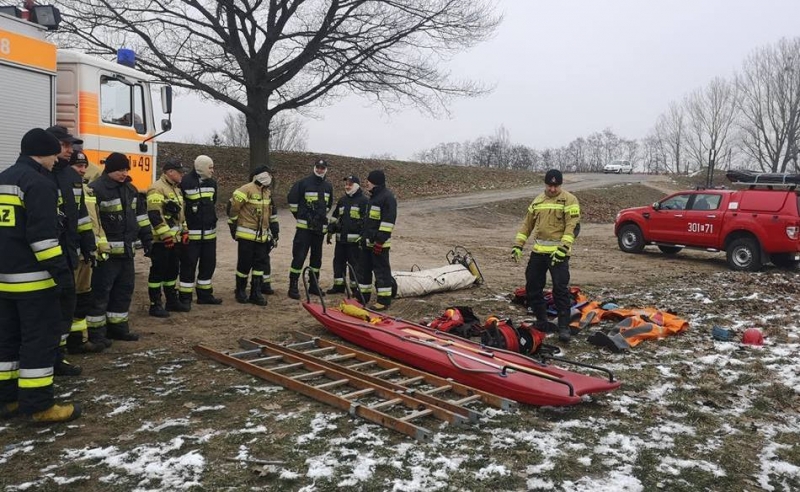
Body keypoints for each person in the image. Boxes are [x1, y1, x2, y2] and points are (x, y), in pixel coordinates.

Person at [0, 128, 82, 423]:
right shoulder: (39, 184)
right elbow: (44, 241)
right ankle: (38, 406)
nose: (55, 161)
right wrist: (61, 275)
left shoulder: (4, 179)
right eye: (53, 155)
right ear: (42, 153)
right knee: (39, 341)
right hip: (36, 281)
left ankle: (7, 400)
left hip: (5, 282)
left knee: (7, 342)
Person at [45, 125, 96, 376]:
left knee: (67, 306)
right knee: (47, 310)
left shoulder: (71, 177)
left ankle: (58, 356)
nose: (69, 150)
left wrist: (88, 246)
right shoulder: (40, 174)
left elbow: (81, 216)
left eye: (70, 145)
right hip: (45, 257)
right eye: (65, 145)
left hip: (68, 253)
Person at [86, 153, 152, 342]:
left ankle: (118, 329)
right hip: (106, 256)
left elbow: (141, 217)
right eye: (120, 170)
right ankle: (97, 334)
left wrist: (147, 239)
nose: (124, 173)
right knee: (100, 294)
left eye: (126, 169)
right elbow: (93, 223)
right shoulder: (96, 189)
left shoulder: (130, 189)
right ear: (109, 170)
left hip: (126, 254)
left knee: (123, 292)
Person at [511, 169, 580, 343]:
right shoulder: (538, 200)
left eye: (556, 185)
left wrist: (563, 249)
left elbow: (572, 227)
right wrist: (518, 245)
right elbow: (527, 225)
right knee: (532, 285)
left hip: (558, 254)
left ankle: (563, 326)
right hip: (539, 252)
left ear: (560, 185)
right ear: (545, 184)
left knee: (560, 289)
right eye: (550, 185)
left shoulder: (569, 200)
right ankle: (541, 321)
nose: (552, 189)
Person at [66, 150, 106, 354]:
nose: (81, 170)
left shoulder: (87, 191)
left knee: (83, 298)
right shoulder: (63, 189)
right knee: (67, 300)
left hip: (86, 254)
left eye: (84, 166)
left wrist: (96, 246)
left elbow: (94, 222)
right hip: (71, 254)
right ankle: (62, 346)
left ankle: (78, 340)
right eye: (77, 166)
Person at [146, 159, 190, 316]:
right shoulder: (157, 189)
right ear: (170, 172)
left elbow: (180, 215)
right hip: (160, 241)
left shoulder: (176, 190)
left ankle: (171, 301)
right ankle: (155, 304)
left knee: (172, 270)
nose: (182, 174)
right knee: (158, 272)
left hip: (175, 240)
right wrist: (165, 235)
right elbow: (154, 214)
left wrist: (184, 231)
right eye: (180, 171)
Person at [179, 155, 223, 305]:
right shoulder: (185, 182)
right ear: (201, 167)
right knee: (188, 266)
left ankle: (204, 295)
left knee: (208, 264)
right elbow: (181, 207)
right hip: (191, 235)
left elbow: (213, 202)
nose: (212, 170)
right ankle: (185, 297)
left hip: (209, 235)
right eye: (210, 167)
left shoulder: (212, 183)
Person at [286, 159, 333, 299]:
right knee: (299, 257)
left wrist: (319, 218)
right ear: (314, 168)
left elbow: (328, 205)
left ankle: (313, 284)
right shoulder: (303, 183)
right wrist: (302, 216)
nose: (320, 170)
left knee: (316, 259)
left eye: (322, 168)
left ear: (326, 169)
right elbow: (293, 201)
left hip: (319, 229)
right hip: (304, 228)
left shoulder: (328, 186)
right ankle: (293, 286)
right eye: (318, 167)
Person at [227, 168, 274, 306]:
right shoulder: (245, 189)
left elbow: (268, 214)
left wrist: (271, 232)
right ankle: (240, 290)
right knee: (244, 263)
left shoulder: (267, 192)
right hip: (246, 234)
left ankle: (256, 292)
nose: (270, 177)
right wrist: (233, 225)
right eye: (267, 174)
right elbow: (233, 207)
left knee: (259, 265)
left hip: (262, 236)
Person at [357, 170, 397, 311]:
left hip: (379, 244)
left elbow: (388, 222)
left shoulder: (387, 198)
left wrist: (379, 241)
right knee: (364, 271)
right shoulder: (373, 198)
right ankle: (362, 297)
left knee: (381, 272)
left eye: (368, 181)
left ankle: (384, 300)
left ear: (375, 181)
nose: (366, 183)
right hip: (368, 243)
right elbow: (369, 222)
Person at [326, 175, 368, 294]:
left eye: (350, 184)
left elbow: (367, 221)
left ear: (356, 185)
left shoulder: (364, 201)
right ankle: (339, 286)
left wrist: (362, 236)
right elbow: (334, 217)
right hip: (341, 240)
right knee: (338, 263)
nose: (347, 186)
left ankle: (355, 288)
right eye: (346, 184)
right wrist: (330, 230)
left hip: (355, 242)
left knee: (355, 265)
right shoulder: (342, 200)